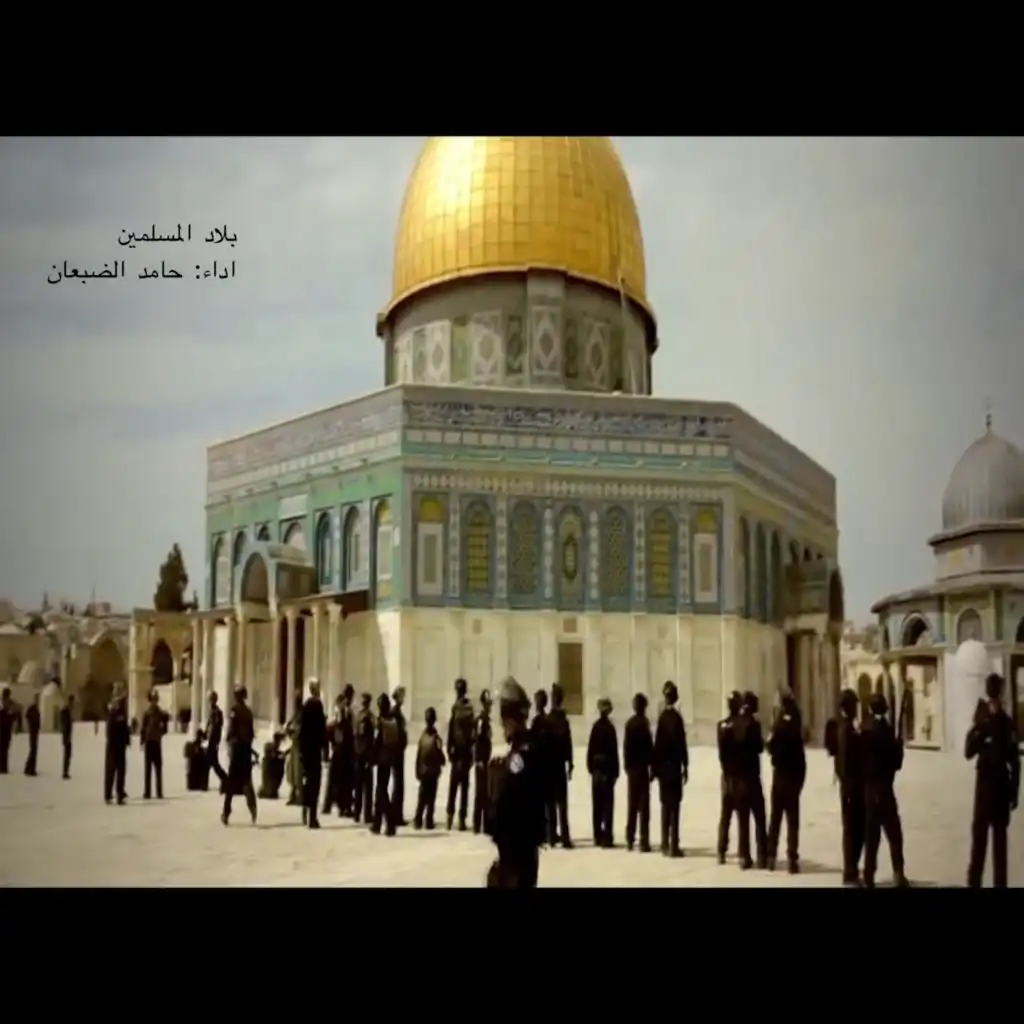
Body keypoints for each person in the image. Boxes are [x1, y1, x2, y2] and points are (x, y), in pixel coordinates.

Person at [485, 676, 547, 888]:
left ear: (510, 720)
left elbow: (506, 798)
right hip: (522, 849)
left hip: (516, 852)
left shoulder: (520, 756)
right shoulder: (528, 748)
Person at [966, 672, 1020, 888]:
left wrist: (1014, 793)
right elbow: (969, 751)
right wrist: (1014, 792)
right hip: (991, 790)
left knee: (992, 848)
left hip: (992, 790)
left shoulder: (1005, 723)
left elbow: (1014, 761)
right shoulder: (992, 721)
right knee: (985, 847)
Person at [861, 691, 909, 888]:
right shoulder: (887, 732)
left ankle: (868, 876)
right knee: (895, 835)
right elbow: (897, 764)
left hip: (869, 789)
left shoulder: (865, 730)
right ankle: (898, 873)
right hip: (885, 789)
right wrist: (899, 746)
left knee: (871, 837)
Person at [828, 688, 865, 886]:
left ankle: (852, 869)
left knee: (855, 829)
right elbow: (846, 760)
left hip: (849, 786)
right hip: (852, 786)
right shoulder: (847, 730)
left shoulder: (843, 727)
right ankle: (850, 872)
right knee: (853, 830)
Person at [765, 689, 805, 873]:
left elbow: (769, 745)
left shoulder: (778, 724)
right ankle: (792, 859)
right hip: (793, 778)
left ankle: (771, 857)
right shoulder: (796, 724)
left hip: (780, 777)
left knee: (775, 819)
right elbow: (801, 758)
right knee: (792, 822)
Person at [653, 680, 688, 857]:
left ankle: (665, 843)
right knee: (675, 806)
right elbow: (682, 745)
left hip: (663, 769)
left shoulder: (662, 719)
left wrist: (654, 769)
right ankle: (674, 845)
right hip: (674, 768)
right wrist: (686, 765)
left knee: (665, 806)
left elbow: (657, 745)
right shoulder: (677, 719)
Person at [733, 691, 767, 869]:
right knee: (760, 818)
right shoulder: (754, 724)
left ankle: (744, 856)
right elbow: (760, 747)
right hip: (752, 777)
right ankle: (762, 856)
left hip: (739, 778)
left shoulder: (735, 724)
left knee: (743, 820)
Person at [221, 685, 258, 825]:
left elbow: (232, 729)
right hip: (246, 750)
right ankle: (252, 808)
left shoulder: (235, 710)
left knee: (231, 782)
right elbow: (252, 733)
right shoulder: (248, 712)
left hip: (236, 749)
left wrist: (228, 742)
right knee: (247, 780)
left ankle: (226, 812)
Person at [623, 692, 653, 853]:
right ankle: (644, 840)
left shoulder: (630, 724)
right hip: (642, 769)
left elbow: (626, 747)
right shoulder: (644, 724)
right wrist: (652, 767)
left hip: (633, 770)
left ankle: (630, 838)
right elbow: (649, 747)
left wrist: (627, 766)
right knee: (644, 806)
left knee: (632, 805)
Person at [586, 697, 619, 848]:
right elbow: (614, 752)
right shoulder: (610, 729)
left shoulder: (595, 727)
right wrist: (615, 772)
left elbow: (590, 751)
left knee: (597, 806)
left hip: (597, 772)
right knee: (607, 806)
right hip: (607, 772)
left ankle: (597, 835)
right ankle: (607, 837)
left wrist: (591, 769)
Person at [716, 691, 743, 865]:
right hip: (739, 776)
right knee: (741, 815)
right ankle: (742, 851)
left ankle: (721, 850)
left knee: (725, 816)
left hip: (726, 776)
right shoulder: (741, 725)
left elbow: (721, 753)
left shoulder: (721, 726)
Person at [547, 683, 574, 849]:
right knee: (561, 804)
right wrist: (570, 763)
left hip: (550, 766)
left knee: (551, 803)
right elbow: (568, 745)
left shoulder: (548, 720)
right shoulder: (563, 721)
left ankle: (551, 835)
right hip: (558, 766)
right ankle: (564, 837)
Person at [446, 677, 475, 831]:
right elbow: (472, 733)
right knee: (464, 787)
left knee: (453, 786)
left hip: (457, 752)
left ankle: (450, 817)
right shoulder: (469, 709)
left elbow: (451, 730)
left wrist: (449, 749)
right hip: (465, 752)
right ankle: (461, 819)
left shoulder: (455, 708)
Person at [372, 692, 402, 836]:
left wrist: (371, 759)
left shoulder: (381, 722)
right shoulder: (393, 721)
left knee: (381, 792)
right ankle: (377, 824)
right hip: (390, 759)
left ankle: (390, 821)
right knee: (380, 791)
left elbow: (376, 742)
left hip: (381, 760)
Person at [299, 678, 327, 830]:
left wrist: (301, 751)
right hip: (314, 750)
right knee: (314, 784)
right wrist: (325, 749)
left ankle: (305, 812)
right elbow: (322, 730)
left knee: (307, 782)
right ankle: (312, 817)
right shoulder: (318, 705)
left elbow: (302, 730)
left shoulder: (306, 706)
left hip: (306, 751)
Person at [414, 706, 446, 830]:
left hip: (423, 771)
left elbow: (418, 754)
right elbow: (440, 755)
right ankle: (428, 821)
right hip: (433, 772)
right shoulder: (436, 738)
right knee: (431, 797)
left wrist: (417, 770)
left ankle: (418, 820)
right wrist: (442, 761)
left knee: (421, 797)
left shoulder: (422, 736)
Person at [323, 692, 351, 817]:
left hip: (342, 752)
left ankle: (336, 805)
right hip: (339, 753)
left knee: (338, 781)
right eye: (343, 703)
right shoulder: (337, 718)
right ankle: (335, 805)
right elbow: (334, 734)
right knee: (337, 781)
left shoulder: (343, 716)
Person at [530, 689, 552, 843]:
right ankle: (549, 832)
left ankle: (542, 831)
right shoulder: (548, 721)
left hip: (538, 765)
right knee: (546, 802)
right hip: (546, 764)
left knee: (539, 801)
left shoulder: (537, 722)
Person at [104, 684, 130, 805]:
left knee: (118, 771)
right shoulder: (114, 711)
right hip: (114, 745)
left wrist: (127, 739)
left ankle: (116, 794)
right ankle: (111, 794)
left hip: (119, 745)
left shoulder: (120, 710)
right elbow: (112, 729)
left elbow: (124, 727)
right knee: (113, 770)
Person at [472, 689, 493, 834]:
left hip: (485, 759)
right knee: (481, 793)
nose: (490, 706)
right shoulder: (481, 720)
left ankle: (485, 824)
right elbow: (478, 740)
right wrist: (478, 759)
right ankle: (478, 823)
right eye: (488, 704)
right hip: (481, 760)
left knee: (485, 793)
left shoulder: (485, 719)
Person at [353, 692, 375, 824]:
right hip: (365, 755)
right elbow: (369, 739)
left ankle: (357, 812)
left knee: (358, 786)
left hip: (357, 754)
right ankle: (367, 814)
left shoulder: (357, 716)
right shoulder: (369, 717)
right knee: (368, 787)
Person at [141, 689, 167, 800]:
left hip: (156, 742)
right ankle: (147, 792)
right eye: (153, 699)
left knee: (158, 768)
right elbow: (143, 728)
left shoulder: (160, 713)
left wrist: (161, 732)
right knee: (147, 769)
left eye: (156, 699)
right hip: (149, 742)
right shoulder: (146, 713)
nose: (154, 701)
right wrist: (142, 741)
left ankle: (159, 792)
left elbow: (165, 725)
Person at [392, 686, 409, 826]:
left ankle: (397, 814)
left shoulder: (397, 711)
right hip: (396, 752)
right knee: (398, 784)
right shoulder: (395, 712)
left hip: (398, 751)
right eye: (402, 695)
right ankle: (396, 815)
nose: (404, 698)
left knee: (399, 784)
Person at [204, 692, 228, 790]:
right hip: (212, 740)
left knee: (208, 763)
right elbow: (209, 726)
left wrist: (211, 740)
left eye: (210, 700)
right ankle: (225, 779)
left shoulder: (216, 712)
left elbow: (215, 728)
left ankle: (204, 784)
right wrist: (205, 734)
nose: (209, 702)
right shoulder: (213, 712)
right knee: (213, 763)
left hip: (212, 741)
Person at [285, 696, 304, 806]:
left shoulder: (302, 715)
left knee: (298, 773)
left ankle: (299, 797)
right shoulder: (296, 715)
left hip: (300, 747)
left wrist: (292, 733)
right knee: (291, 772)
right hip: (294, 747)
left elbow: (299, 731)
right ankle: (293, 796)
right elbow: (289, 727)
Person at [257, 731, 287, 799]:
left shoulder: (271, 746)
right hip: (270, 767)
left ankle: (269, 790)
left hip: (270, 766)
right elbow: (274, 756)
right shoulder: (271, 746)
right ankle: (269, 791)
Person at [24, 694, 41, 776]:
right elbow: (27, 716)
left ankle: (30, 768)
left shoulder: (37, 709)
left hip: (35, 731)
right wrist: (31, 723)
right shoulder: (32, 708)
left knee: (34, 750)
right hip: (32, 731)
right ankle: (29, 768)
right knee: (33, 749)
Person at [59, 694, 74, 779]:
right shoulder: (65, 711)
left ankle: (66, 771)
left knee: (68, 754)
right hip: (66, 736)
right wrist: (66, 737)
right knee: (67, 754)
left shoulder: (68, 711)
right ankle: (65, 772)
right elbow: (64, 725)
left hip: (68, 736)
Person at [0, 686, 13, 774]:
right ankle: (4, 767)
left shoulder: (5, 703)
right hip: (7, 729)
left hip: (4, 728)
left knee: (3, 748)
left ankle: (2, 767)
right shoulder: (10, 704)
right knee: (5, 749)